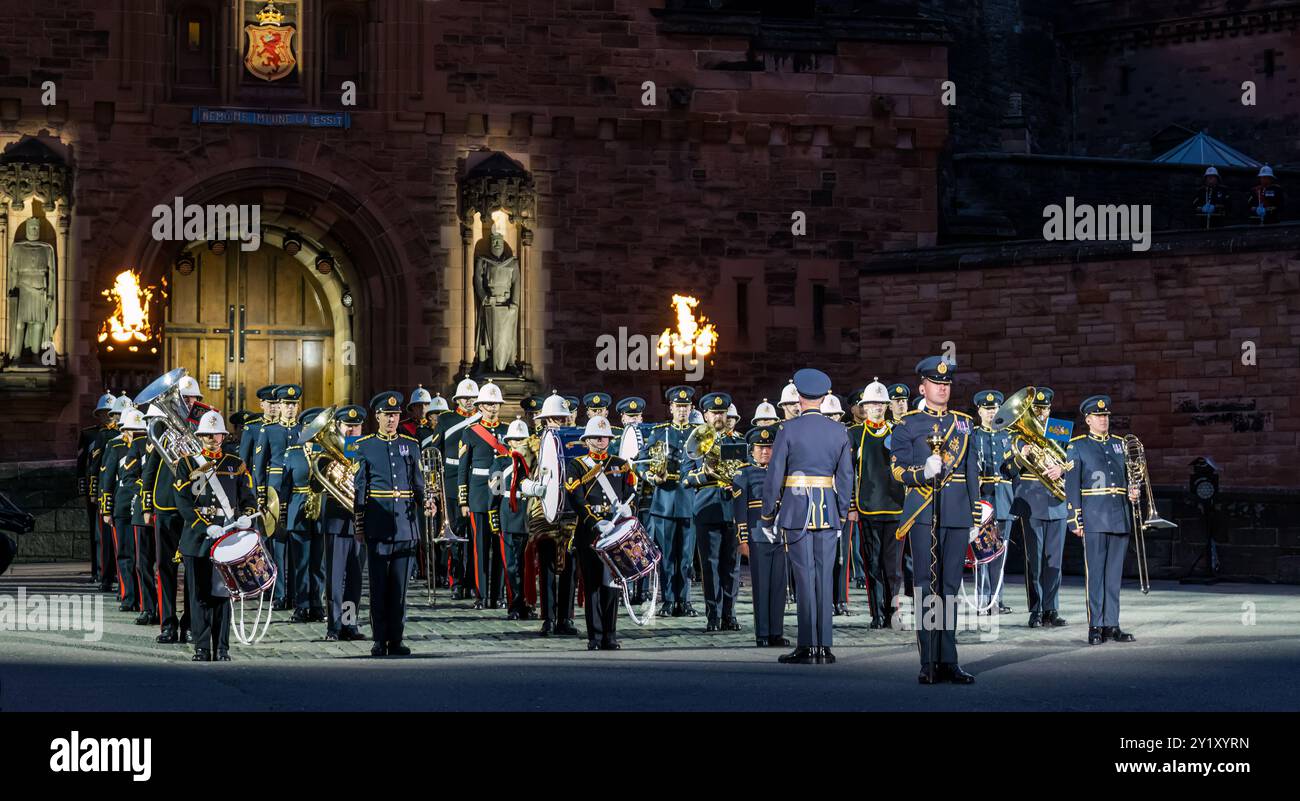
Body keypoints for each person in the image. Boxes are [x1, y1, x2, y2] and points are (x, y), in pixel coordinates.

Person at [890, 356, 980, 685]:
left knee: (950, 588)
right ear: (922, 387)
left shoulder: (963, 424)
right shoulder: (908, 424)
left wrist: (974, 516)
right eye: (936, 383)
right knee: (928, 587)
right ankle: (928, 660)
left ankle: (949, 659)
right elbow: (897, 469)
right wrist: (921, 473)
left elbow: (971, 472)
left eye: (946, 384)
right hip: (924, 511)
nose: (942, 388)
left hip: (957, 512)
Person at [760, 368, 854, 665]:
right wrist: (840, 514)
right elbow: (846, 477)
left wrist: (767, 513)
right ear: (826, 398)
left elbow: (775, 475)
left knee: (803, 579)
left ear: (799, 397)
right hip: (827, 511)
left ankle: (806, 646)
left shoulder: (788, 430)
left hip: (796, 511)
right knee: (825, 578)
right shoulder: (840, 431)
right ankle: (824, 646)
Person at [173, 410, 258, 662]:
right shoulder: (187, 464)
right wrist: (203, 526)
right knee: (198, 595)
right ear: (200, 436)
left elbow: (248, 498)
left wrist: (247, 517)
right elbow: (183, 503)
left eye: (216, 434)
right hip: (198, 538)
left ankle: (222, 647)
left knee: (222, 596)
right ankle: (201, 647)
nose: (212, 438)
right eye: (207, 434)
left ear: (223, 435)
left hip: (227, 537)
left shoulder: (235, 463)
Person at [353, 391, 433, 656]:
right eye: (387, 415)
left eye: (395, 415)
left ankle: (396, 638)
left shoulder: (410, 445)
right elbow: (360, 489)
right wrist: (361, 524)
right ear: (377, 417)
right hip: (377, 523)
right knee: (378, 586)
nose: (391, 420)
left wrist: (428, 502)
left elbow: (418, 482)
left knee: (399, 588)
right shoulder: (365, 445)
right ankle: (379, 639)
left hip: (405, 525)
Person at [1065, 395, 1140, 646]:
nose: (1103, 419)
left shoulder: (1120, 444)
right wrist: (1074, 518)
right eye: (1098, 416)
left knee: (1114, 575)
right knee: (1095, 575)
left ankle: (1112, 624)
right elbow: (1072, 485)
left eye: (1106, 415)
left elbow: (1128, 477)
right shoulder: (1078, 446)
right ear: (1088, 419)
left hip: (1119, 516)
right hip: (1094, 517)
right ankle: (1095, 625)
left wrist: (1133, 490)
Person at [563, 415, 637, 651]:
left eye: (605, 436)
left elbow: (631, 493)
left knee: (612, 584)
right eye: (597, 436)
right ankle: (595, 637)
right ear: (587, 440)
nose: (602, 440)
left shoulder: (621, 464)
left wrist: (628, 508)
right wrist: (594, 521)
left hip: (614, 530)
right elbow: (575, 496)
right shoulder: (577, 465)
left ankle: (610, 635)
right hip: (591, 531)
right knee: (593, 583)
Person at [847, 378, 906, 629]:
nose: (878, 408)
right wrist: (851, 505)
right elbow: (848, 473)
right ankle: (876, 613)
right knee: (872, 564)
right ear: (864, 407)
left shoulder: (899, 432)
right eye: (872, 404)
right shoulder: (855, 434)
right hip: (868, 507)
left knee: (893, 568)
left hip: (896, 506)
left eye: (882, 404)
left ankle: (893, 610)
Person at [685, 391, 742, 632]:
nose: (718, 416)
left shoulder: (737, 440)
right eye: (713, 412)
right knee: (709, 565)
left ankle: (729, 614)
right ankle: (713, 616)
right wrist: (705, 473)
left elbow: (746, 471)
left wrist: (737, 480)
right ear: (705, 414)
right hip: (707, 508)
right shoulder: (696, 442)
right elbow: (686, 478)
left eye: (722, 412)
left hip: (732, 509)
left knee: (732, 566)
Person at [1012, 387, 1069, 628]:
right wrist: (1018, 455)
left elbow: (1072, 459)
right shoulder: (1018, 434)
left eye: (1045, 408)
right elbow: (1008, 469)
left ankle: (1051, 609)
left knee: (1054, 560)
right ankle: (1035, 609)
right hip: (1032, 501)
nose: (1042, 413)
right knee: (1034, 560)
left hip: (1056, 501)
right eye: (1037, 409)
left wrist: (1063, 469)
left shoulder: (1060, 429)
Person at [644, 385, 697, 617]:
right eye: (678, 407)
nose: (682, 411)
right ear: (671, 408)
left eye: (686, 407)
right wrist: (652, 476)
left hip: (689, 500)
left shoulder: (698, 433)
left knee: (686, 557)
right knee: (666, 557)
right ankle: (667, 600)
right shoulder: (659, 431)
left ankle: (684, 600)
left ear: (691, 408)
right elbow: (642, 461)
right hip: (665, 500)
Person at [528, 392, 578, 636]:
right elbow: (518, 477)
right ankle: (547, 618)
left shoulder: (576, 442)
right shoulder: (532, 444)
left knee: (570, 567)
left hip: (570, 513)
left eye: (564, 419)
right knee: (546, 567)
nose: (561, 422)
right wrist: (534, 487)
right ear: (546, 420)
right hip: (544, 513)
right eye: (556, 419)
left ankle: (565, 619)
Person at [733, 426, 787, 647]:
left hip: (780, 536)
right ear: (751, 449)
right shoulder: (743, 472)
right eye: (760, 448)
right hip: (757, 536)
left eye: (768, 447)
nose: (765, 451)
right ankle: (762, 634)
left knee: (779, 587)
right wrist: (742, 539)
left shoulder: (783, 471)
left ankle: (777, 632)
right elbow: (739, 510)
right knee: (762, 586)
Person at [458, 380, 510, 610]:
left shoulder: (508, 431)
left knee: (500, 547)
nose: (492, 408)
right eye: (488, 404)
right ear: (480, 406)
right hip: (478, 494)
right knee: (480, 547)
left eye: (496, 404)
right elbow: (463, 468)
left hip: (501, 493)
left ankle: (498, 595)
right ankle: (481, 595)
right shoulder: (470, 433)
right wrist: (463, 499)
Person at [254, 384, 301, 611]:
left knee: (296, 544)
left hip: (297, 492)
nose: (290, 408)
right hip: (276, 491)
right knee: (278, 545)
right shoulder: (269, 430)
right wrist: (261, 496)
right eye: (286, 404)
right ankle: (280, 593)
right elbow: (259, 467)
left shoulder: (303, 430)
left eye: (293, 404)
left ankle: (295, 593)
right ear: (279, 405)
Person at [324, 404, 368, 641]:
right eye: (347, 426)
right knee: (334, 578)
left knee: (354, 578)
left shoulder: (365, 451)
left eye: (356, 426)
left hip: (359, 523)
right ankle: (333, 626)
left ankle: (350, 624)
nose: (352, 431)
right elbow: (314, 483)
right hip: (336, 521)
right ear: (338, 427)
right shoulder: (326, 453)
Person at [433, 376, 480, 598]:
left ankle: (472, 580)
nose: (469, 401)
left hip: (476, 481)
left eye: (472, 398)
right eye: (465, 398)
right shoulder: (446, 420)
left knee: (474, 535)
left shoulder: (482, 420)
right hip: (451, 481)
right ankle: (456, 580)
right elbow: (435, 452)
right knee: (455, 534)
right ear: (457, 400)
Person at [99, 405, 147, 613]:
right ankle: (129, 596)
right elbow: (107, 478)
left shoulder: (149, 447)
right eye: (132, 431)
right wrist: (107, 509)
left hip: (143, 507)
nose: (135, 435)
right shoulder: (116, 447)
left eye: (140, 432)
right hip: (123, 506)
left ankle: (145, 599)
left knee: (143, 558)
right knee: (125, 554)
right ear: (124, 430)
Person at [972, 390, 1015, 615]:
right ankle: (982, 601)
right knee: (983, 553)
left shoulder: (1008, 436)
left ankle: (997, 600)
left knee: (1000, 552)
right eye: (987, 409)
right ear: (979, 411)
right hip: (984, 499)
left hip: (1005, 500)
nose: (991, 412)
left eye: (994, 408)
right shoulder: (974, 436)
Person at [285, 407, 327, 623]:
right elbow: (285, 487)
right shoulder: (292, 453)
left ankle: (317, 604)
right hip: (298, 511)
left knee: (318, 563)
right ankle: (301, 605)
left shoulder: (327, 452)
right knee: (300, 563)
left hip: (321, 512)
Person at [495, 416, 535, 620]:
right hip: (510, 514)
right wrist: (494, 515)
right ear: (509, 442)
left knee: (529, 566)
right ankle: (515, 604)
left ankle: (529, 603)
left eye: (523, 440)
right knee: (512, 566)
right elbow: (495, 491)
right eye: (516, 440)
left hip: (530, 513)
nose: (519, 444)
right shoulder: (501, 461)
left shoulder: (534, 461)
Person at [78, 392, 115, 584]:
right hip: (97, 487)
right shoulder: (89, 434)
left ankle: (113, 571)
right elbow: (82, 462)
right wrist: (86, 489)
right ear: (98, 414)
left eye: (110, 412)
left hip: (115, 487)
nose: (107, 416)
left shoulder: (121, 433)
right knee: (97, 532)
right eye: (103, 412)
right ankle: (97, 569)